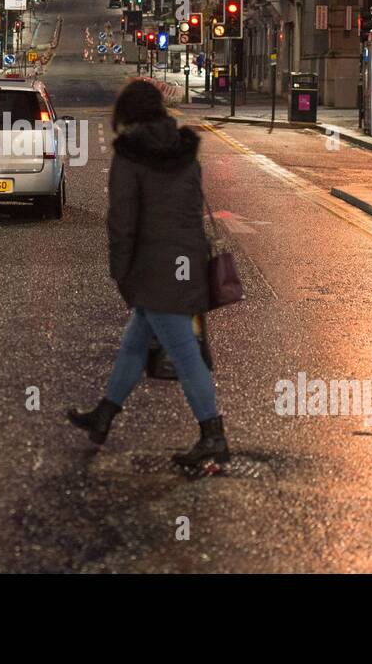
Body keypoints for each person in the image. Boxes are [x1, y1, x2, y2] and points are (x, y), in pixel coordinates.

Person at [67, 80, 229, 469]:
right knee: (136, 341)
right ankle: (104, 415)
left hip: (154, 268)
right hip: (186, 260)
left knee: (185, 354)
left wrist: (120, 271)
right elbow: (191, 208)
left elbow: (122, 222)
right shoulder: (184, 150)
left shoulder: (130, 157)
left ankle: (213, 436)